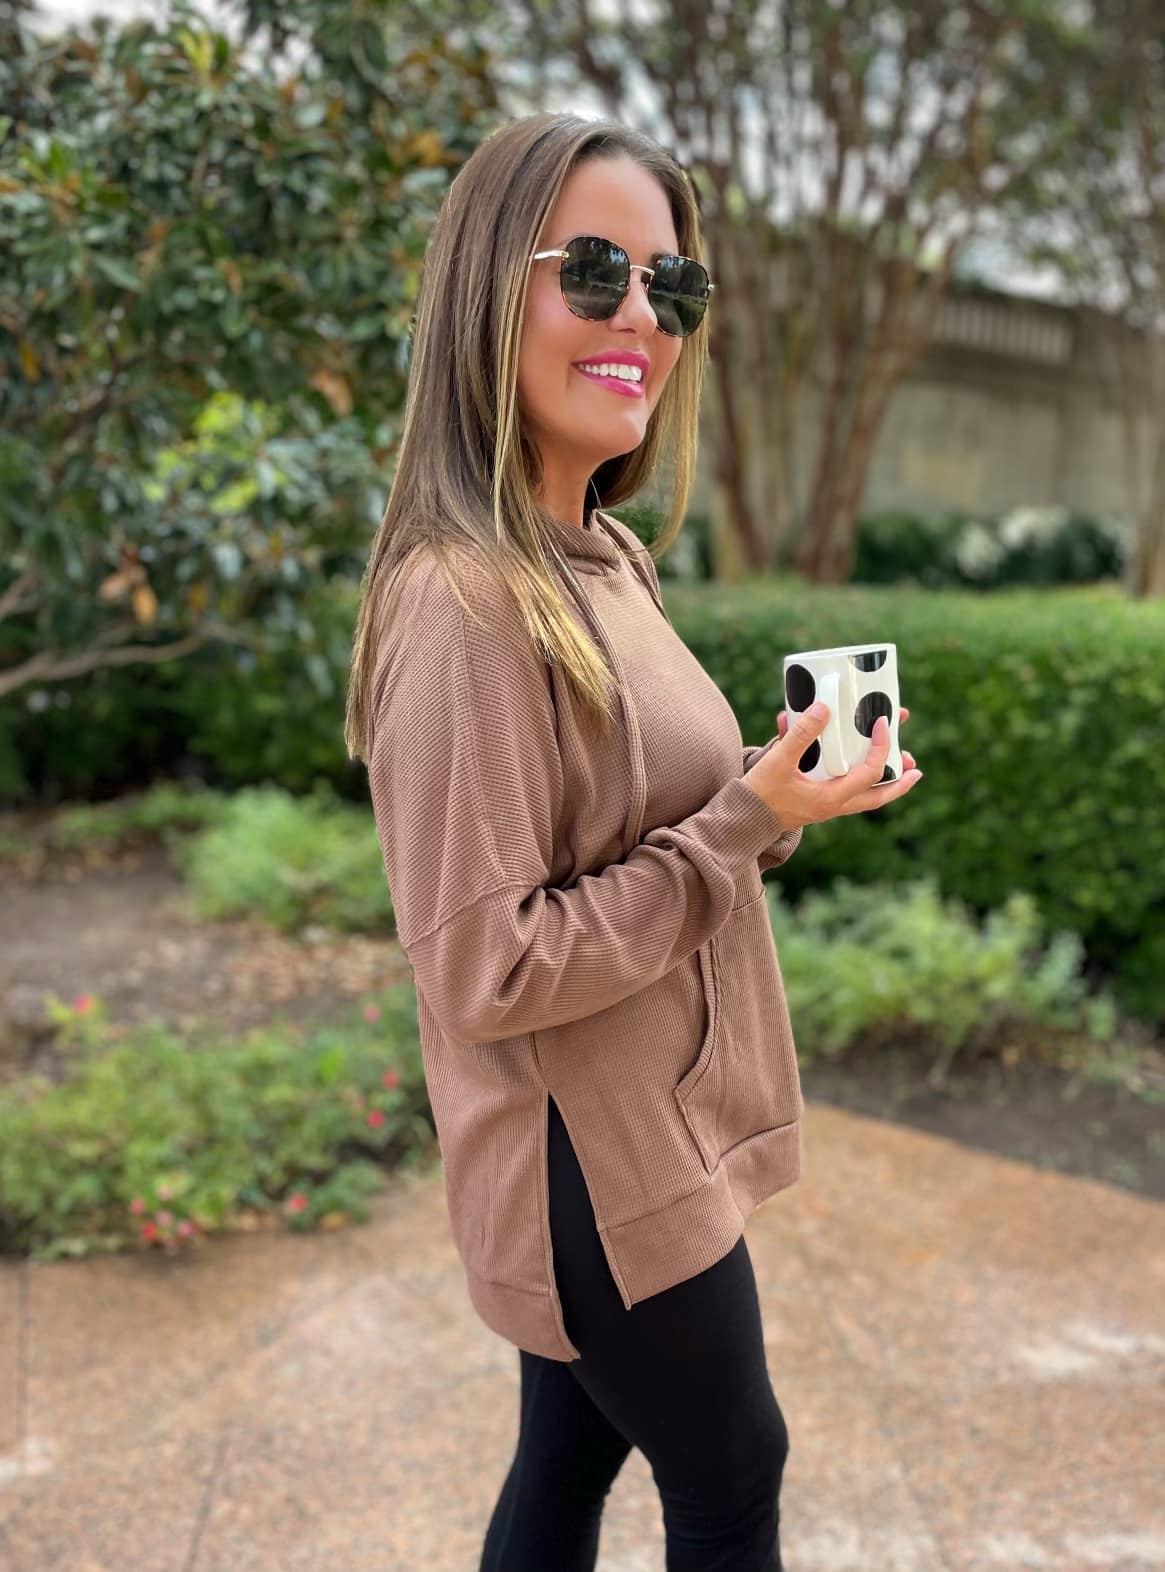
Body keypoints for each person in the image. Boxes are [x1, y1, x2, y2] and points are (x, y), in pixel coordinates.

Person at [344, 111, 921, 1572]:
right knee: (731, 1481)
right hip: (592, 1159)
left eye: (673, 286)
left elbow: (652, 824)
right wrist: (740, 824)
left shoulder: (600, 555)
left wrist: (776, 797)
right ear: (489, 290)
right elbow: (486, 965)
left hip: (641, 1119)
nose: (642, 320)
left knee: (569, 1451)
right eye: (595, 272)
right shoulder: (466, 603)